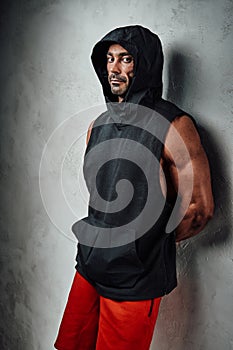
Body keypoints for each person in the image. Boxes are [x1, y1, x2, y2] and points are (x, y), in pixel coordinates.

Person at [54, 25, 214, 350]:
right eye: (109, 59)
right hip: (88, 265)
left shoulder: (173, 124)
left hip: (133, 279)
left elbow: (199, 209)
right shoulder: (97, 126)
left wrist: (144, 247)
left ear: (145, 65)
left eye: (125, 59)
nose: (114, 68)